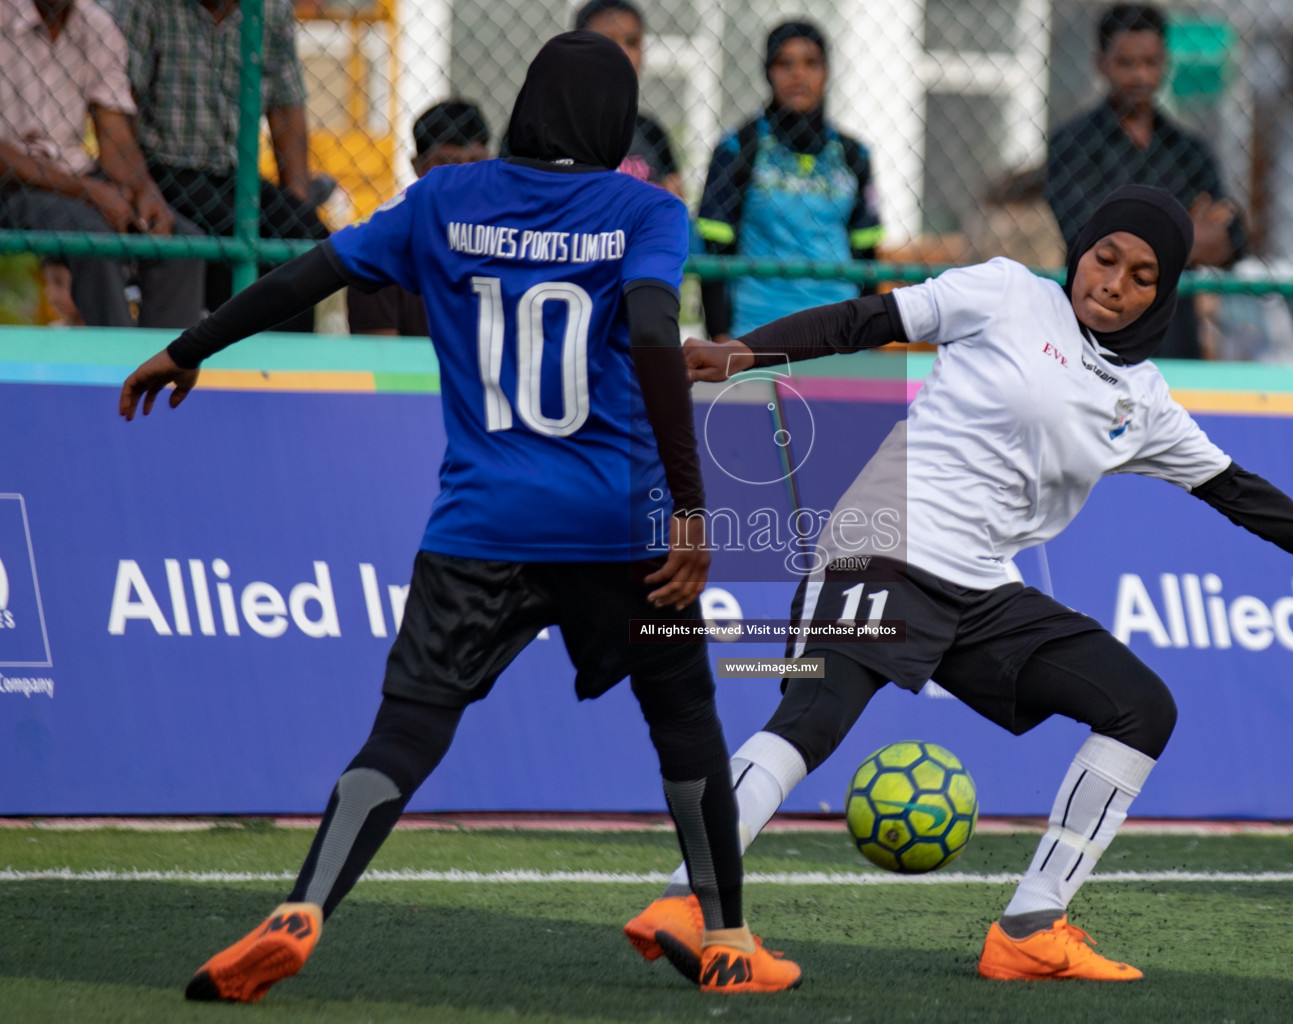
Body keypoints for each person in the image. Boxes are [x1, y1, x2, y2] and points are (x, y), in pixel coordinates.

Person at [118, 32, 800, 1001]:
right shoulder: (643, 208)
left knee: (404, 730)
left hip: (479, 523)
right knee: (685, 716)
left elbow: (313, 272)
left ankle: (303, 906)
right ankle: (729, 937)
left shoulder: (445, 199)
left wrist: (193, 344)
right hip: (621, 527)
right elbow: (654, 332)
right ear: (612, 120)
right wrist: (693, 509)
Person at [622, 185, 1293, 982]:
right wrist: (744, 352)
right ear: (1081, 250)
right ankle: (687, 903)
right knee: (811, 718)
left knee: (1140, 708)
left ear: (1164, 292)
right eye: (1104, 259)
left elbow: (1240, 494)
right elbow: (866, 317)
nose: (1113, 284)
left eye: (1141, 276)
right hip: (883, 546)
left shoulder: (1146, 401)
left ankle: (1030, 925)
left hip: (981, 590)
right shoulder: (1007, 292)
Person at [111, 0, 329, 330]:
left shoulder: (270, 9)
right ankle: (228, 346)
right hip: (163, 166)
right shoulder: (148, 6)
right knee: (228, 230)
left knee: (306, 233)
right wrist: (140, 186)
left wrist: (294, 201)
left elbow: (287, 106)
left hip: (234, 175)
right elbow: (122, 103)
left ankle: (286, 363)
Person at [1046, 3, 1243, 359]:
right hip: (1093, 334)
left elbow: (1233, 237)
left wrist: (1131, 246)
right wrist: (1186, 239)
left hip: (1175, 331)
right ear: (1100, 63)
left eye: (1151, 63)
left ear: (1165, 62)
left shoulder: (1188, 149)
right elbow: (1082, 235)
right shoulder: (1072, 144)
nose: (1141, 77)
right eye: (1127, 63)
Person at [0, 0, 203, 327]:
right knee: (93, 240)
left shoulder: (96, 25)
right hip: (14, 182)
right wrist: (87, 191)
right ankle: (117, 369)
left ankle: (164, 365)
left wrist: (145, 191)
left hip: (75, 177)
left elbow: (115, 138)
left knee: (181, 245)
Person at [696, 20, 882, 341]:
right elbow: (713, 251)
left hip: (839, 328)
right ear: (768, 71)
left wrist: (869, 334)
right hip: (757, 327)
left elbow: (866, 255)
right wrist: (720, 336)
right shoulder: (737, 147)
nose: (798, 74)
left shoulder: (854, 155)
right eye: (785, 63)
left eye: (811, 63)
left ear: (826, 72)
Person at [346, 99, 489, 337]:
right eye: (448, 164)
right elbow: (381, 362)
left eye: (476, 163)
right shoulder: (381, 253)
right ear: (418, 167)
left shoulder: (513, 239)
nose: (464, 177)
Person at [568, 0, 684, 199]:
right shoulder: (545, 127)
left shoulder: (651, 134)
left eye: (632, 42)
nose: (621, 52)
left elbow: (674, 206)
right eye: (608, 41)